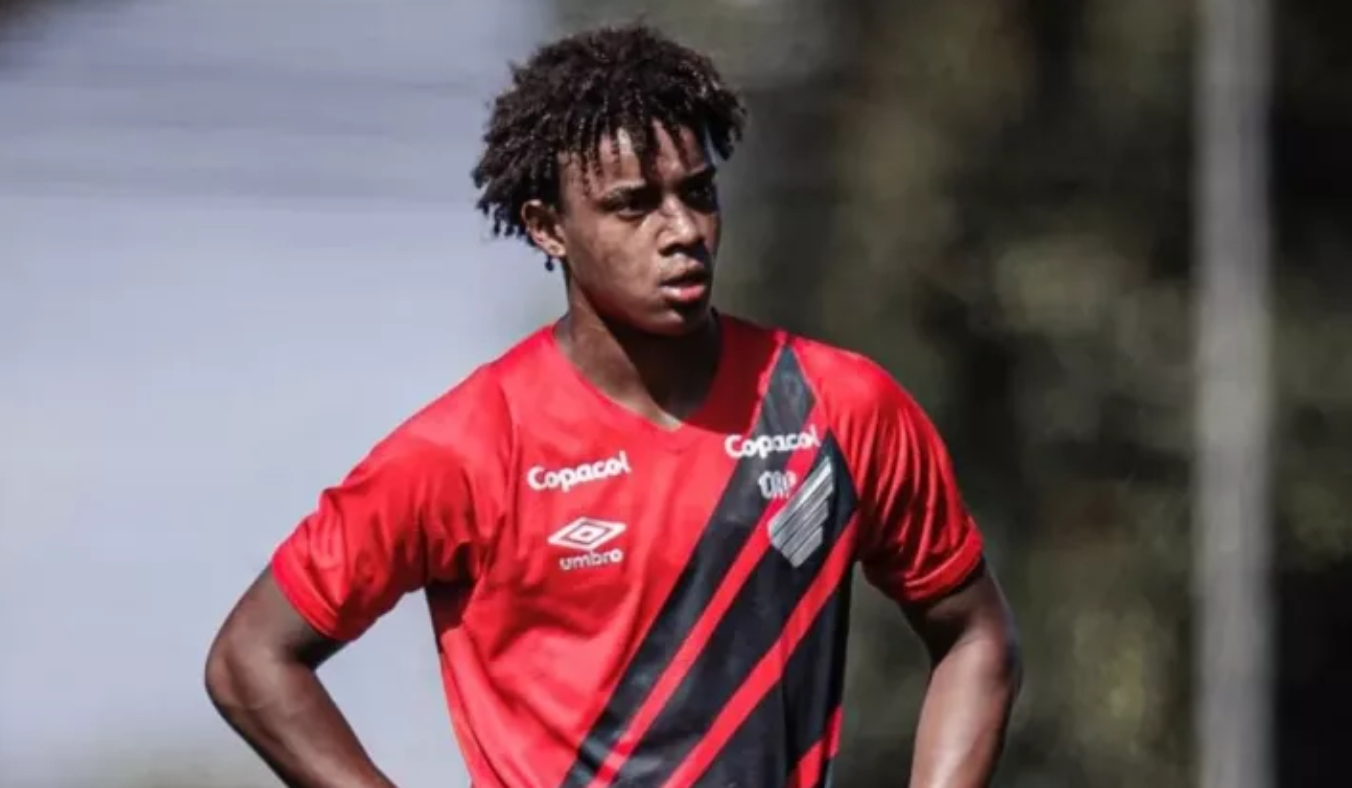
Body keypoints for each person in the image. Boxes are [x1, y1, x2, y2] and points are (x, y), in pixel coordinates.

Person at [204, 22, 1021, 788]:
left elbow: (975, 636)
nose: (683, 230)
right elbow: (251, 659)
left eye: (698, 192)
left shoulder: (839, 407)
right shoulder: (469, 448)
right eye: (633, 205)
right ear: (547, 227)